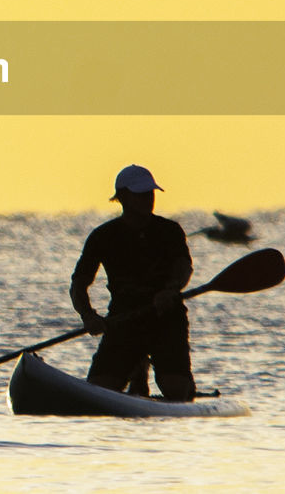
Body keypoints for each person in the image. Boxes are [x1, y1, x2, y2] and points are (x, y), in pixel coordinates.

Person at [69, 164, 196, 401]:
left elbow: (184, 267)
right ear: (123, 197)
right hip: (123, 319)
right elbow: (79, 284)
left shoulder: (170, 231)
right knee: (100, 390)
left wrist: (171, 289)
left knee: (176, 391)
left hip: (167, 318)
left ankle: (175, 382)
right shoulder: (103, 236)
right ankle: (136, 369)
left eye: (150, 193)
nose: (148, 199)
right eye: (141, 194)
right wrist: (88, 315)